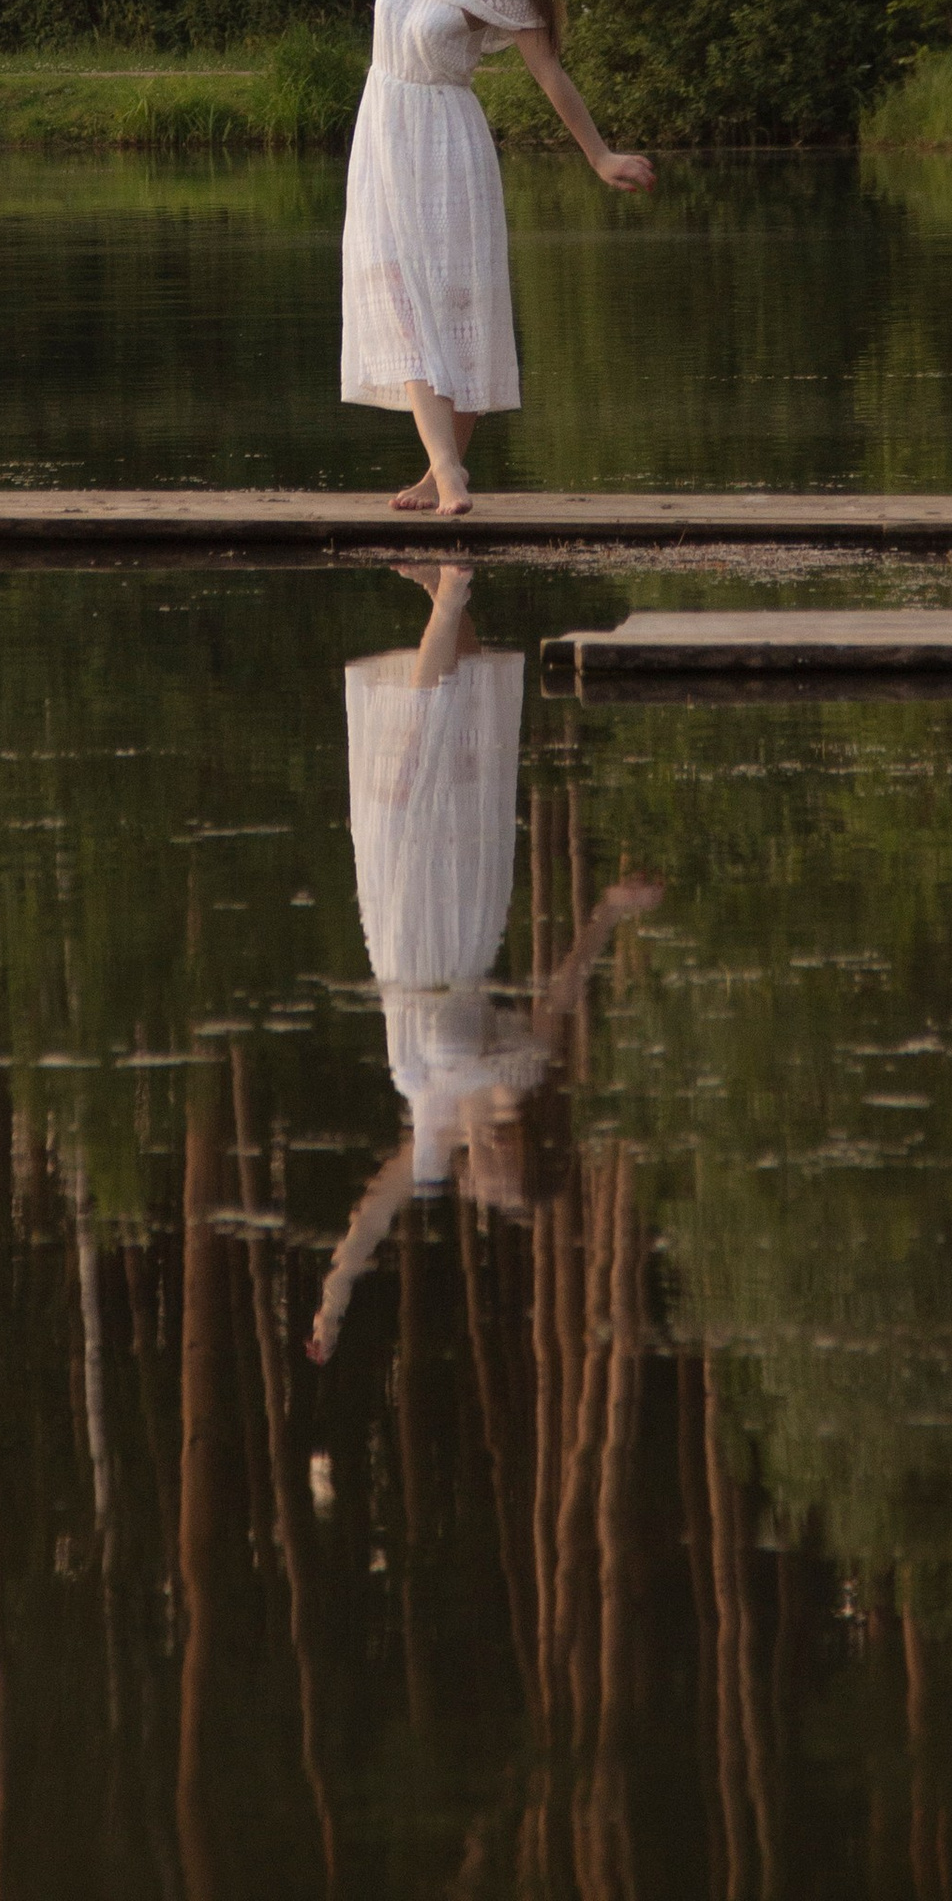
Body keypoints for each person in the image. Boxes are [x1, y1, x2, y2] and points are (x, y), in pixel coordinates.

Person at [280, 0, 654, 514]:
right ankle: (442, 470)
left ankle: (446, 471)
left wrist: (600, 156)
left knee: (458, 299)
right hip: (386, 132)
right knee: (400, 286)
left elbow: (552, 76)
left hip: (446, 142)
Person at [307, 567, 660, 1365]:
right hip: (455, 920)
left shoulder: (435, 1134)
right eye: (497, 1186)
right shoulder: (513, 1081)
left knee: (421, 744)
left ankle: (446, 585)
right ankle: (451, 586)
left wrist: (335, 1295)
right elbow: (562, 990)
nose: (479, 1187)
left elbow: (373, 1212)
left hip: (402, 922)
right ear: (518, 1153)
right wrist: (606, 910)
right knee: (441, 731)